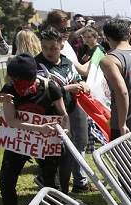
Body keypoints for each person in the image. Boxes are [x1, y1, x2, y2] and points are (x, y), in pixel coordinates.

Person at [0, 54, 68, 205]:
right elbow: (11, 120)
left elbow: (63, 115)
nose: (16, 83)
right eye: (13, 79)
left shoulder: (49, 87)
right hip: (19, 140)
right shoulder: (10, 89)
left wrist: (65, 130)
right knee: (6, 181)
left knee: (52, 184)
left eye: (20, 79)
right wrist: (38, 128)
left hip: (46, 142)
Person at [35, 26, 94, 194]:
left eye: (53, 48)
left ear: (61, 46)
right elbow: (42, 93)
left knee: (72, 151)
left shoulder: (67, 62)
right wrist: (69, 88)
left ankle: (65, 191)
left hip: (72, 111)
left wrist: (81, 83)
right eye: (45, 47)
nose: (49, 51)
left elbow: (75, 77)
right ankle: (56, 193)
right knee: (56, 157)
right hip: (51, 116)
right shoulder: (37, 64)